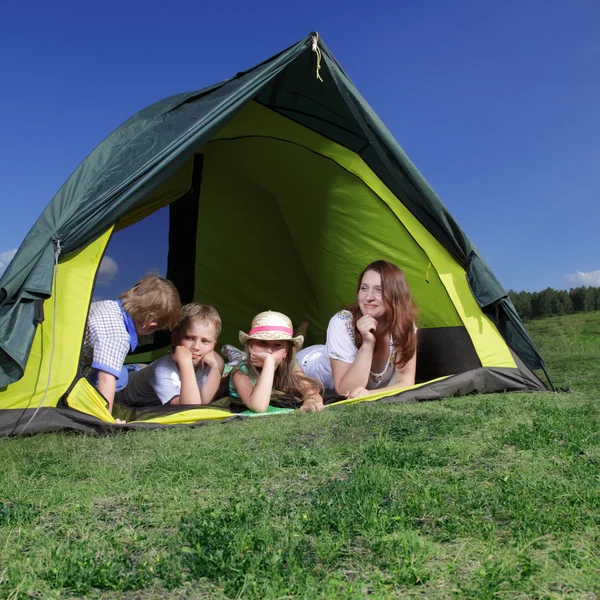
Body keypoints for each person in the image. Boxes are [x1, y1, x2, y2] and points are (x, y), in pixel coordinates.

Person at [297, 260, 417, 399]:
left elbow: (406, 382)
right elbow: (346, 390)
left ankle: (298, 340)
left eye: (379, 290)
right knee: (291, 358)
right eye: (364, 288)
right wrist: (367, 343)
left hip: (332, 349)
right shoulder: (342, 321)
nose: (368, 297)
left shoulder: (404, 325)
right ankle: (296, 343)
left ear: (396, 294)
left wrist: (370, 394)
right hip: (309, 363)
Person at [80, 274, 181, 417]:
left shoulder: (109, 306)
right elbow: (105, 378)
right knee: (118, 378)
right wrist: (105, 419)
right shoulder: (118, 335)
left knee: (121, 372)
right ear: (150, 324)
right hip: (75, 375)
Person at [116, 303, 225, 408]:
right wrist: (185, 363)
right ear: (174, 338)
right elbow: (190, 408)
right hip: (119, 388)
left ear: (214, 345)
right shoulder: (163, 369)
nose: (196, 347)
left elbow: (204, 404)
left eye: (205, 341)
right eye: (189, 338)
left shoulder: (208, 363)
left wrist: (218, 367)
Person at [228, 311, 324, 413]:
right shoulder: (241, 373)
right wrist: (269, 362)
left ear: (286, 352)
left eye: (277, 345)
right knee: (233, 366)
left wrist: (310, 401)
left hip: (287, 357)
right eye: (263, 343)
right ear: (251, 345)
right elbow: (258, 407)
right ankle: (236, 358)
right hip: (230, 371)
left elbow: (309, 390)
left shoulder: (290, 365)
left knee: (295, 353)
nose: (269, 351)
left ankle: (301, 332)